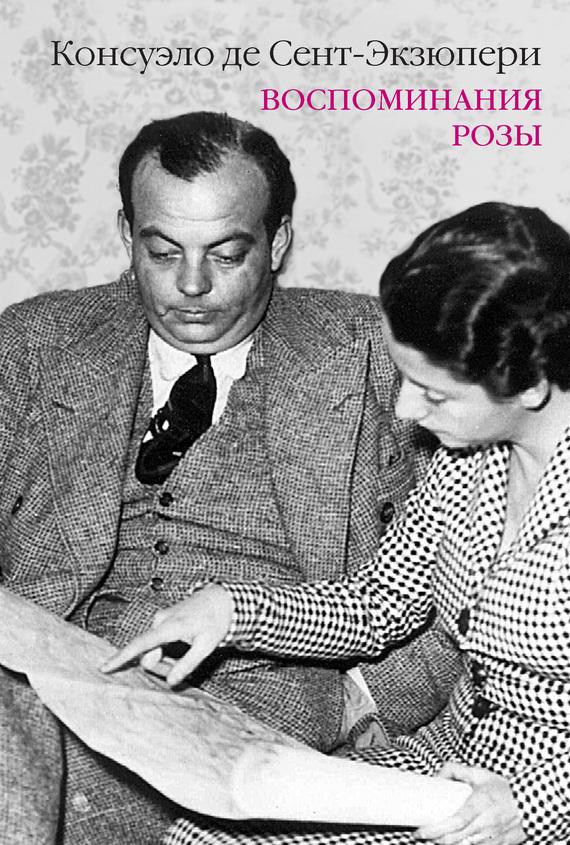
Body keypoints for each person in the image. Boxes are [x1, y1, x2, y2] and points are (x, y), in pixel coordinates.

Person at [0, 111, 460, 844]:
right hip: (48, 683)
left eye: (226, 254)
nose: (191, 286)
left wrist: (365, 698)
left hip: (261, 705)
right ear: (126, 235)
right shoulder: (33, 344)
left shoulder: (376, 351)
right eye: (161, 252)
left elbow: (468, 562)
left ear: (277, 242)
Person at [107, 201, 570, 845]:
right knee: (202, 836)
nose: (405, 410)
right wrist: (231, 611)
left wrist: (536, 807)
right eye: (405, 380)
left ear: (530, 386)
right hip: (446, 771)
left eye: (435, 393)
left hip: (527, 807)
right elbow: (383, 601)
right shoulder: (467, 461)